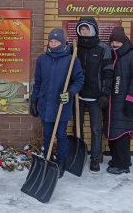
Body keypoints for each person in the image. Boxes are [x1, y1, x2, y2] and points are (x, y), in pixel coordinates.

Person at [30, 28, 84, 178]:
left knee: (61, 135)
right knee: (47, 134)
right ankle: (48, 159)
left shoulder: (71, 59)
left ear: (62, 42)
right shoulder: (42, 59)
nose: (53, 44)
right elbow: (38, 81)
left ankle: (62, 161)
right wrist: (34, 99)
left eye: (56, 41)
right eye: (51, 41)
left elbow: (79, 79)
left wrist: (70, 93)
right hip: (45, 104)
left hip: (61, 105)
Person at [74, 17, 114, 173]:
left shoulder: (103, 48)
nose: (84, 32)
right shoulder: (75, 47)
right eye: (82, 29)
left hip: (96, 96)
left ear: (94, 30)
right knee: (78, 127)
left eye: (87, 29)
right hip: (78, 95)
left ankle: (95, 158)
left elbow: (108, 73)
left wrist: (105, 94)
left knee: (96, 129)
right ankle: (79, 155)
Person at [104, 27, 133, 174]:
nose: (115, 44)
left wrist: (130, 99)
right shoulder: (113, 56)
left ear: (124, 41)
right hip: (112, 101)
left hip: (125, 101)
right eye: (112, 41)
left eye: (118, 41)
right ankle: (119, 159)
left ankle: (123, 165)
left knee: (122, 133)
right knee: (113, 132)